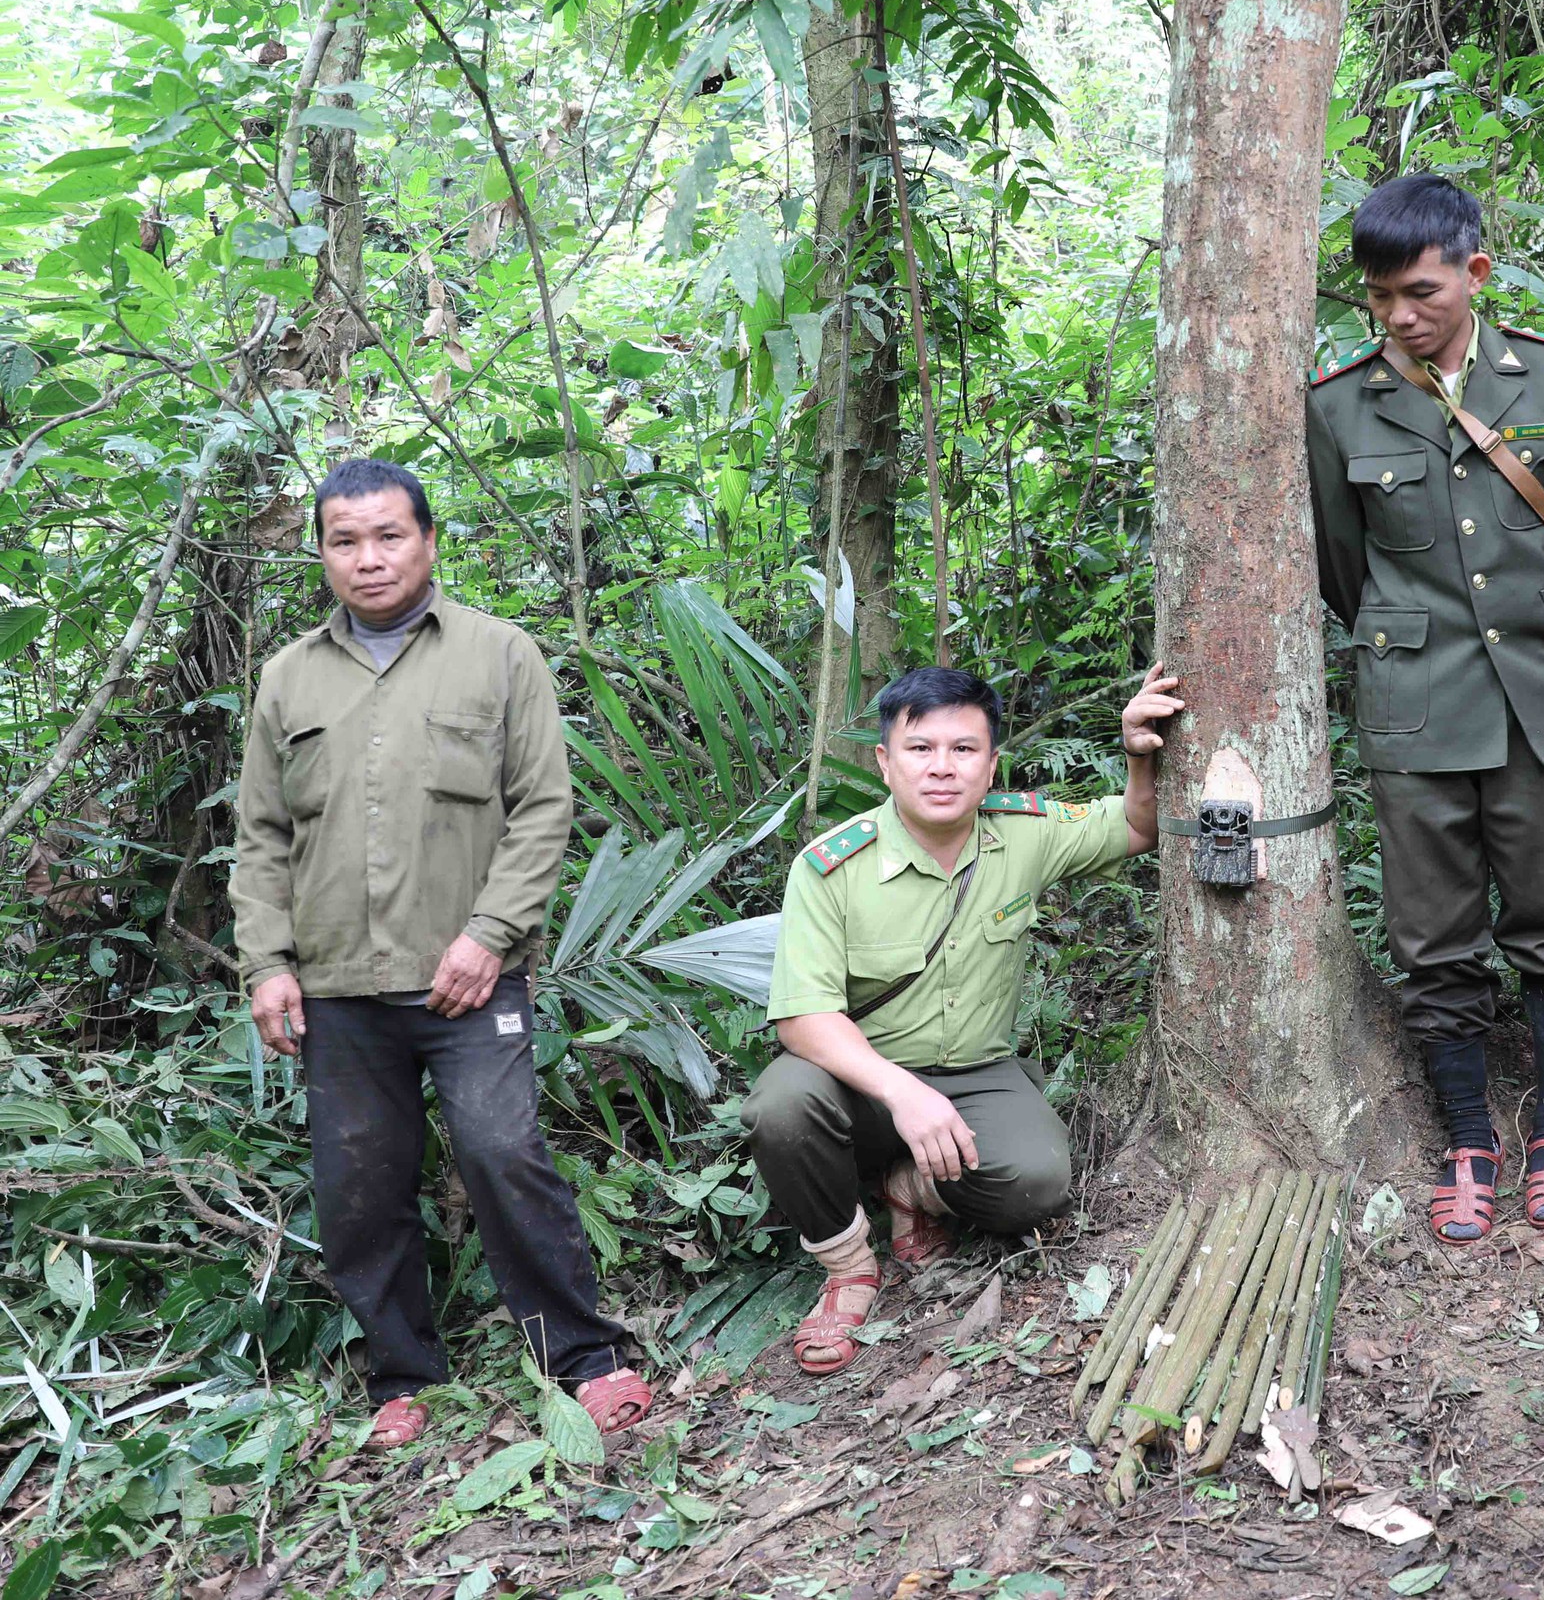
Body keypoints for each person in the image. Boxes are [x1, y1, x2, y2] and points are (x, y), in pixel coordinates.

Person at [233, 458, 649, 1451]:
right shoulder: (289, 677)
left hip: (470, 979)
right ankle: (403, 1374)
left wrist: (487, 936)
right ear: (322, 551)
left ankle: (585, 1359)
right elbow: (261, 836)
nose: (368, 558)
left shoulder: (499, 655)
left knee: (503, 1152)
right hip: (337, 987)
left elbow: (544, 809)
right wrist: (267, 962)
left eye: (388, 535)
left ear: (428, 540)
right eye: (345, 539)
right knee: (359, 1185)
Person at [1305, 174, 1544, 1245]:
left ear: (1475, 273)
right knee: (1433, 937)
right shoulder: (1340, 403)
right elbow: (1346, 571)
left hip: (1537, 702)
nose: (1399, 315)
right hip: (1414, 707)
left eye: (1420, 291)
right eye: (1380, 297)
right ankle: (1468, 1144)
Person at [743, 663, 1183, 1374]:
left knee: (1038, 1180)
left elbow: (1139, 825)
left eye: (963, 749)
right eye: (920, 749)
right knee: (780, 1106)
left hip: (978, 1073)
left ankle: (908, 1189)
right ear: (886, 763)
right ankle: (849, 1265)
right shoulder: (831, 867)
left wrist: (1138, 753)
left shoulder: (1023, 832)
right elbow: (802, 1018)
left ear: (991, 764)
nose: (941, 768)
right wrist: (905, 1092)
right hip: (860, 1083)